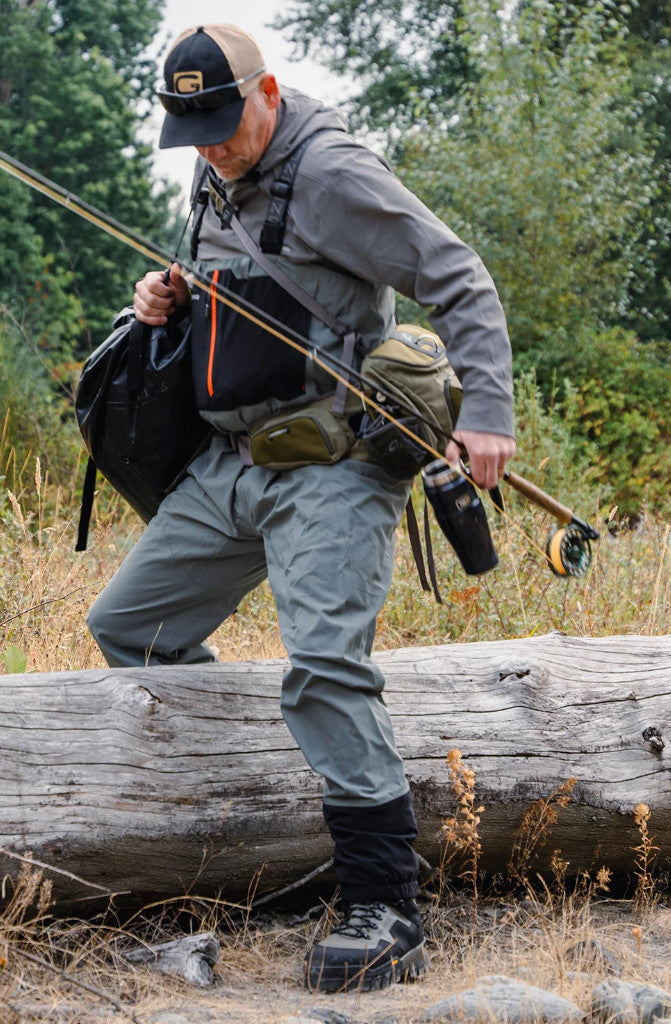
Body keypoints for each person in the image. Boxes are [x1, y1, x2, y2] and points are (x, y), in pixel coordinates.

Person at [87, 23, 516, 993]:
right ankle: (259, 832)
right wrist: (165, 298)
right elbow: (233, 289)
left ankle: (384, 905)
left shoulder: (330, 173)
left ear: (267, 91)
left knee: (324, 663)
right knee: (130, 628)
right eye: (188, 127)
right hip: (229, 462)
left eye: (221, 122)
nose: (208, 145)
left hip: (333, 465)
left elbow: (458, 273)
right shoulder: (208, 168)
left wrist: (486, 411)